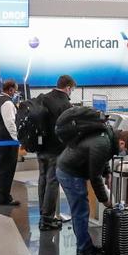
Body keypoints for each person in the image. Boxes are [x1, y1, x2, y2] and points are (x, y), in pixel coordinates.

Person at [58, 116, 128, 255]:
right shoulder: (103, 143)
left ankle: (85, 245)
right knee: (81, 212)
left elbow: (101, 159)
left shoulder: (110, 136)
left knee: (81, 211)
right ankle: (84, 252)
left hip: (72, 169)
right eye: (127, 152)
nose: (125, 155)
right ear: (122, 143)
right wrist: (106, 201)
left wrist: (107, 172)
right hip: (70, 173)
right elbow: (94, 177)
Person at [37, 75, 77, 232]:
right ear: (68, 87)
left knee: (42, 179)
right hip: (56, 150)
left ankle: (43, 213)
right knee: (53, 182)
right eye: (72, 89)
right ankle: (47, 219)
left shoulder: (43, 98)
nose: (71, 92)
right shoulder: (65, 104)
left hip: (40, 147)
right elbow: (69, 129)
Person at [0, 79, 21, 206]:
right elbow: (10, 123)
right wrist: (17, 139)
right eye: (15, 90)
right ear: (11, 89)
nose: (15, 93)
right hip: (7, 139)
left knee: (1, 165)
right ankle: (5, 197)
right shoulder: (7, 103)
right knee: (8, 167)